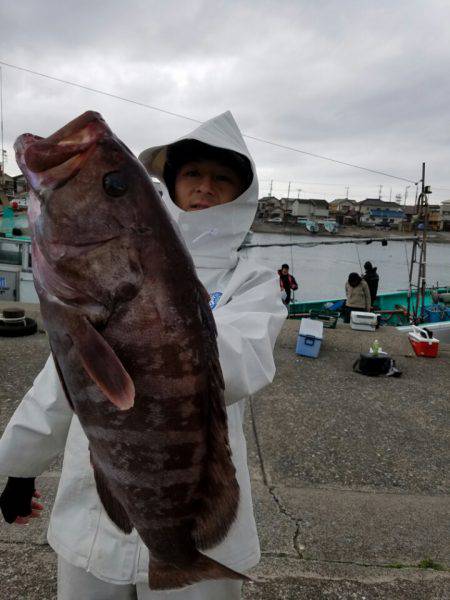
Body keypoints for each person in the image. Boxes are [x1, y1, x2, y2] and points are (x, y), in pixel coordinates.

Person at [0, 111, 286, 600]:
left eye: (222, 179)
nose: (205, 187)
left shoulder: (253, 280)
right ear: (171, 183)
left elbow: (245, 361)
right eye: (193, 174)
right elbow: (60, 381)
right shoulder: (96, 277)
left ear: (242, 195)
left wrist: (153, 326)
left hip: (192, 513)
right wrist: (18, 467)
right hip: (93, 507)